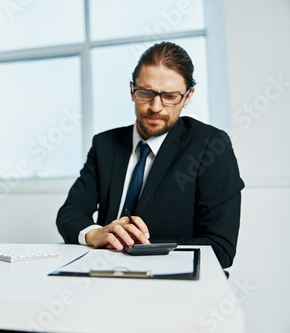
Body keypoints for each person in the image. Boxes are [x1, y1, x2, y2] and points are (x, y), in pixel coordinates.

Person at [56, 41, 244, 269]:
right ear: (131, 90)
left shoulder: (211, 146)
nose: (156, 107)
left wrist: (137, 248)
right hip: (104, 274)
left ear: (188, 96)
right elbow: (70, 212)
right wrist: (94, 234)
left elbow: (220, 247)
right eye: (146, 93)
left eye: (170, 96)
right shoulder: (105, 144)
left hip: (173, 282)